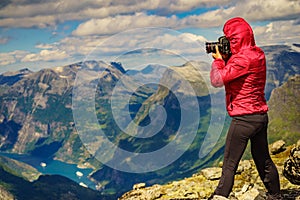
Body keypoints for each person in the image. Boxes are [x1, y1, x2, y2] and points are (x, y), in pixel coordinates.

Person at [209, 17, 281, 199]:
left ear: (235, 39)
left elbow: (217, 80)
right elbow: (241, 74)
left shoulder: (241, 60)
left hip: (243, 119)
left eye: (229, 39)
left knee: (229, 164)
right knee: (263, 160)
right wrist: (228, 58)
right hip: (260, 116)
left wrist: (218, 61)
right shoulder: (258, 54)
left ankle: (220, 196)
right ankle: (276, 195)